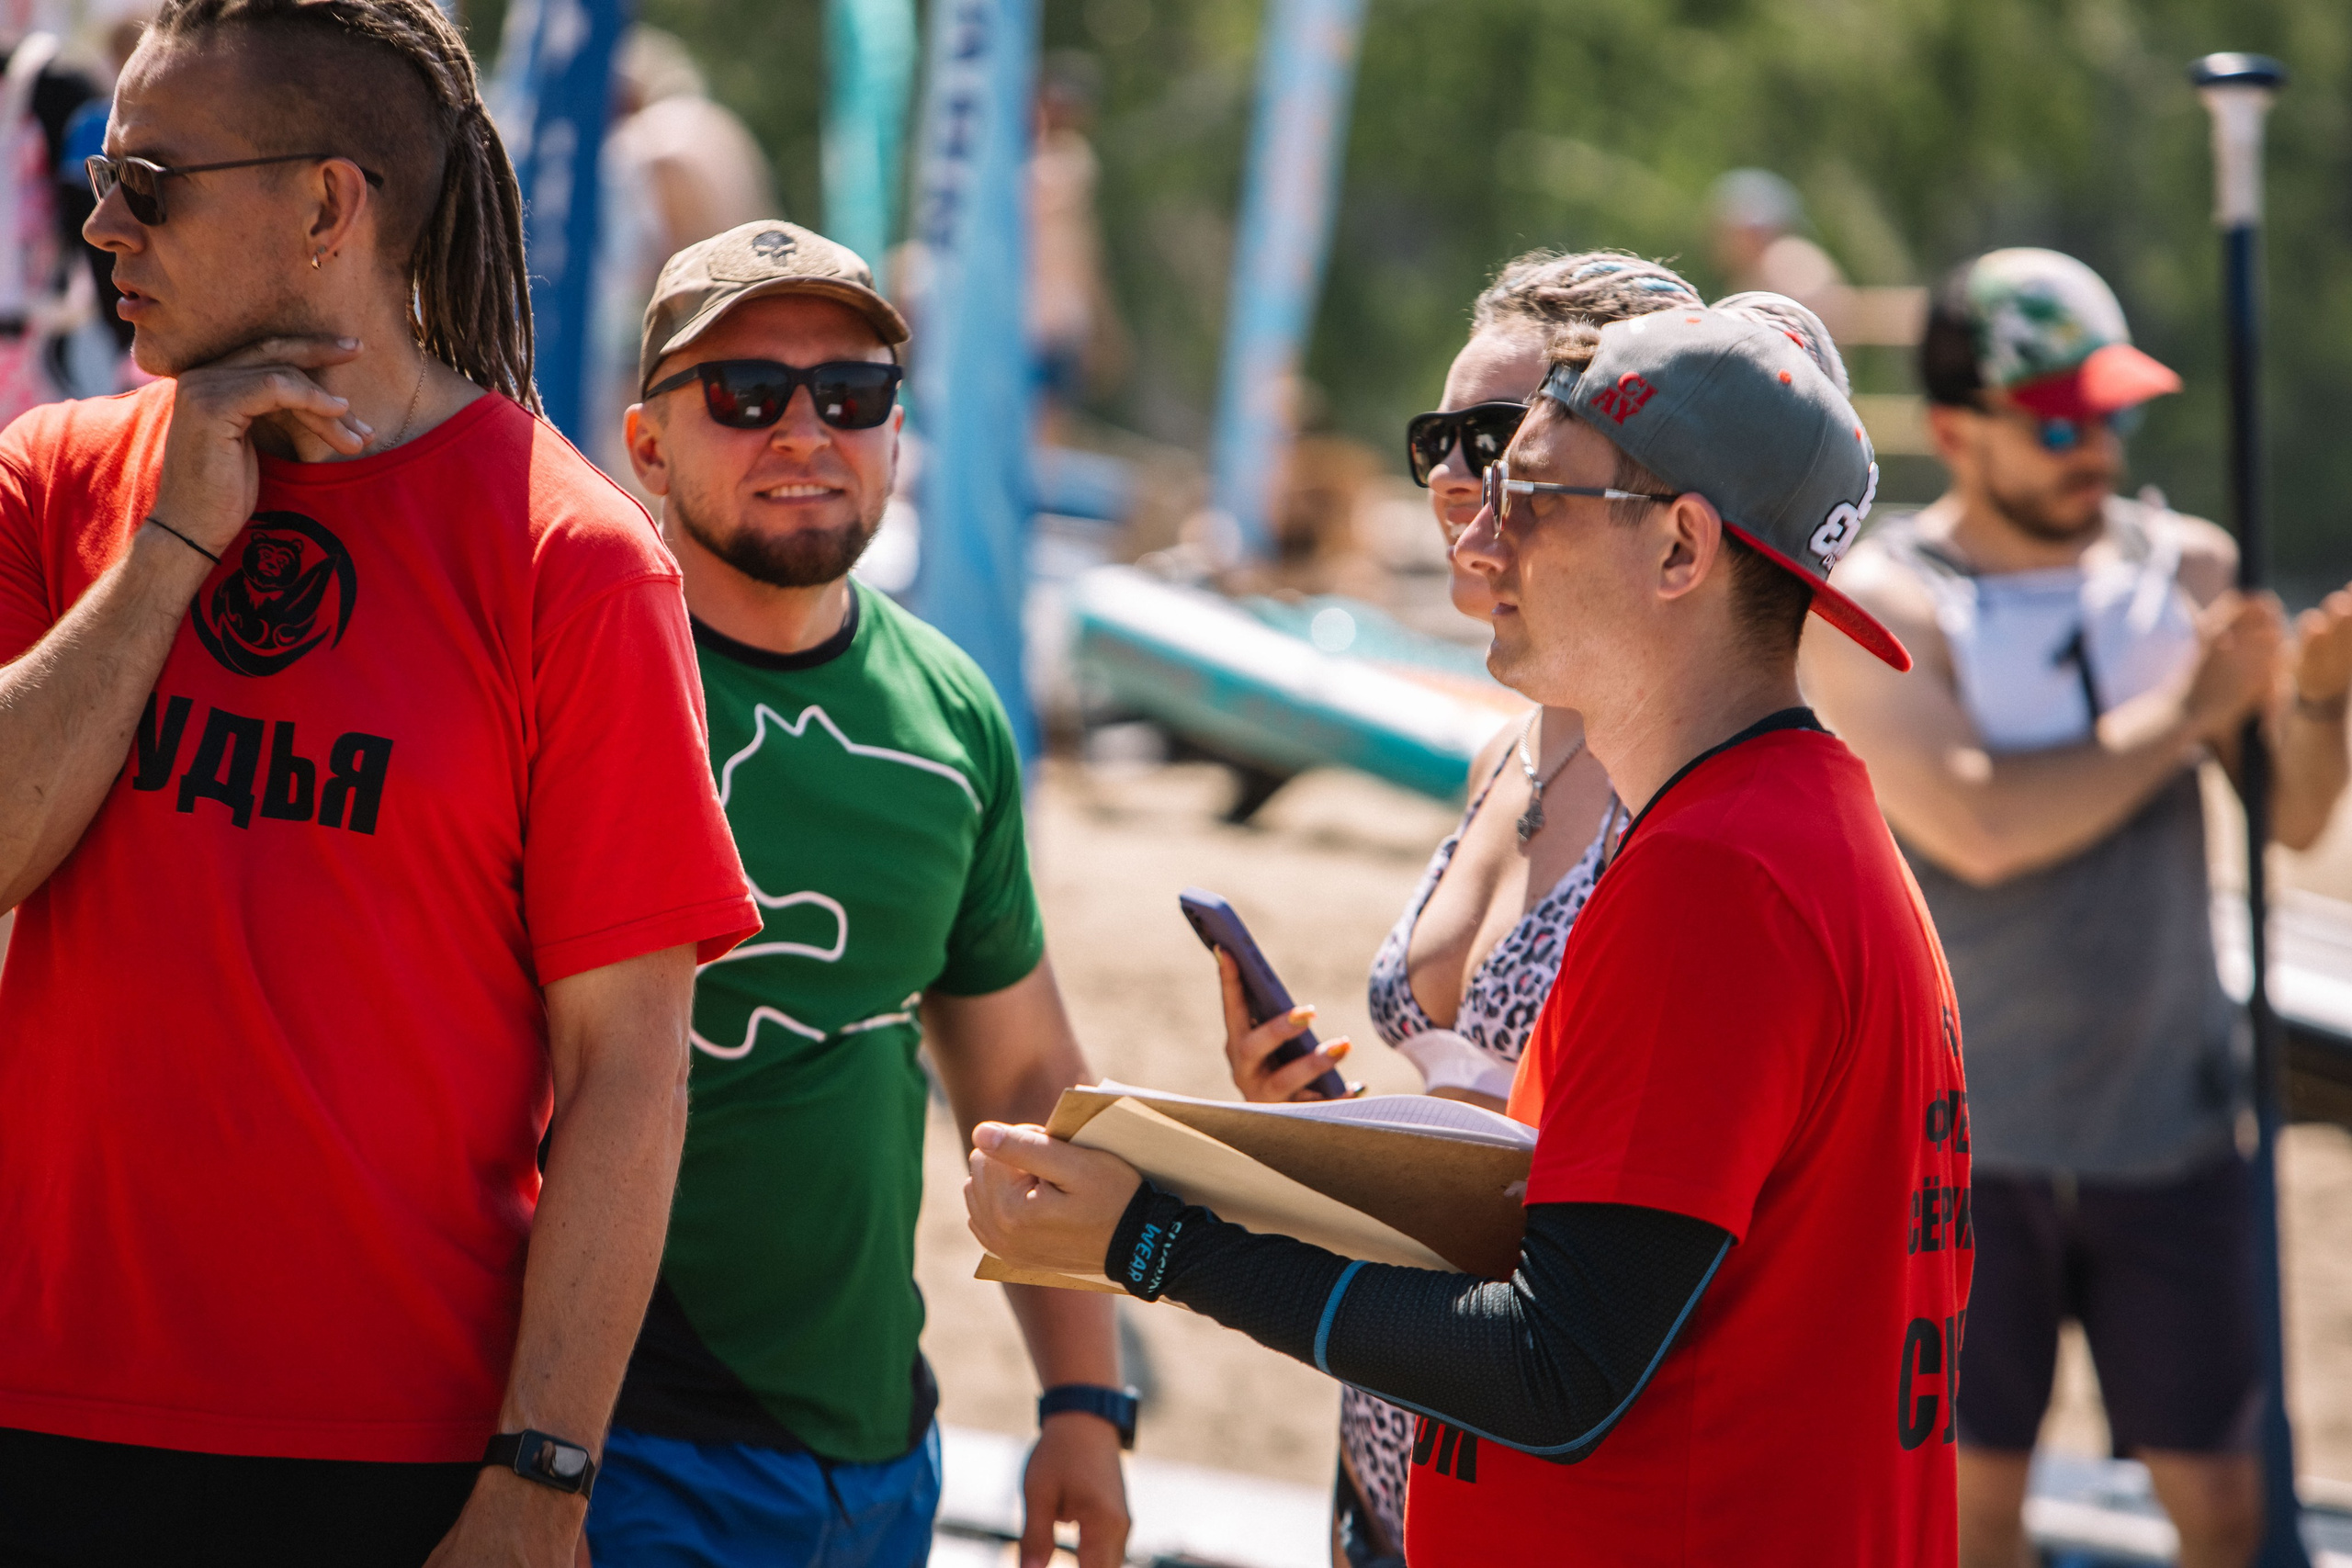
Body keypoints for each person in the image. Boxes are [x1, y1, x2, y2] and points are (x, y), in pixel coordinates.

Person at [970, 296, 1972, 1565]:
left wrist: (1152, 1242)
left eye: (1533, 494)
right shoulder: (1788, 825)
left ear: (1681, 548)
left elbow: (1558, 1368)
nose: (1481, 538)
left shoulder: (1719, 873)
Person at [0, 2, 761, 1563]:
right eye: (97, 174)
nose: (101, 224)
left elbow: (630, 1076)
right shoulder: (53, 479)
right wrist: (170, 548)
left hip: (394, 1459)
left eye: (147, 182)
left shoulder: (574, 566)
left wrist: (542, 1478)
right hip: (36, 1414)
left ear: (327, 206)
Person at [1801, 246, 2352, 1568]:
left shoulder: (2193, 569)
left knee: (2228, 1508)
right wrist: (2188, 713)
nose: (2092, 449)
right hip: (1960, 1146)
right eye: (2055, 424)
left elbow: (2289, 819)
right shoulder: (1879, 608)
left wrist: (2321, 700)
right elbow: (1984, 829)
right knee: (1970, 1513)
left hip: (2173, 1130)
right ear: (1954, 431)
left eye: (2110, 416)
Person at [592, 220, 1131, 1568]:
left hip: (883, 1456)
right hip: (620, 1449)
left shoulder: (949, 710)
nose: (804, 432)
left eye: (851, 392)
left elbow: (1021, 1070)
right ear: (647, 444)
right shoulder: (573, 678)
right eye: (744, 393)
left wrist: (1082, 1397)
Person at [1217, 248, 1705, 1568]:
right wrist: (1323, 1125)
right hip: (1391, 1456)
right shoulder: (1509, 749)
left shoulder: (1691, 788)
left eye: (1501, 442)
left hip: (1551, 1477)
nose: (1457, 486)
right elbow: (1480, 1120)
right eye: (1440, 442)